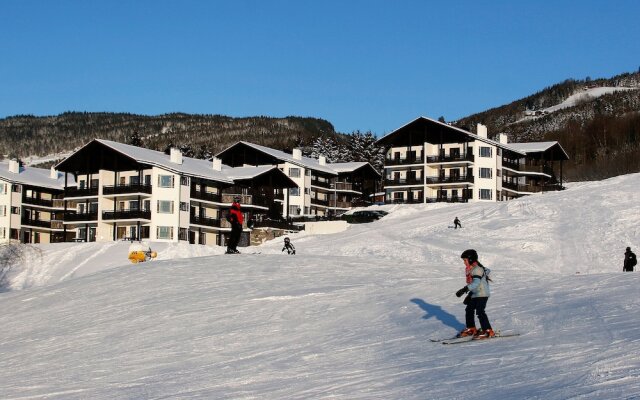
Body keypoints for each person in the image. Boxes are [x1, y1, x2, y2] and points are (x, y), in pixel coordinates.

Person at [455, 249, 494, 339]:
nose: (464, 262)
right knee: (469, 310)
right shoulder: (471, 269)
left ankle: (488, 331)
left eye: (465, 260)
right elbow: (486, 271)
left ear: (471, 259)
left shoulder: (477, 270)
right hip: (475, 293)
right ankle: (471, 328)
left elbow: (476, 283)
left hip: (482, 294)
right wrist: (470, 295)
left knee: (480, 311)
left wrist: (464, 290)